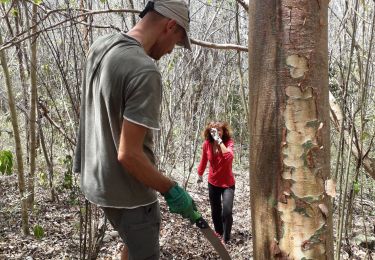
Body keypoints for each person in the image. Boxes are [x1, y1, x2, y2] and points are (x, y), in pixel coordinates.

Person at [73, 1, 199, 259]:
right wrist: (171, 189)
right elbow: (129, 155)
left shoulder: (101, 45)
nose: (171, 51)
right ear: (170, 25)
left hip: (96, 182)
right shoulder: (143, 69)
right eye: (176, 41)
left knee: (131, 246)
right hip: (131, 196)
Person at [197, 121, 235, 244]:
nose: (217, 132)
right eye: (214, 130)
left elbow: (229, 157)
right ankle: (219, 232)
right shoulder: (207, 144)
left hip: (228, 184)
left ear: (223, 131)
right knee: (215, 210)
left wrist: (219, 141)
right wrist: (200, 174)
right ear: (209, 132)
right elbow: (203, 160)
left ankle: (226, 237)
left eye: (219, 130)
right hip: (213, 182)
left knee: (227, 212)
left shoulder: (228, 143)